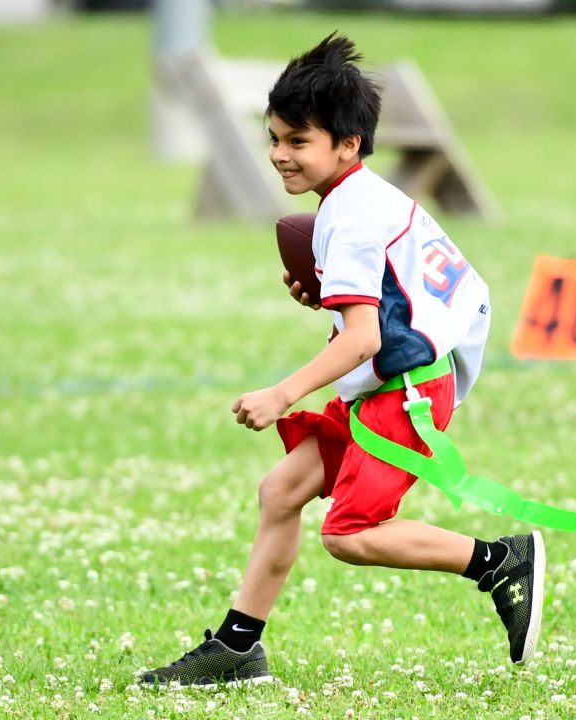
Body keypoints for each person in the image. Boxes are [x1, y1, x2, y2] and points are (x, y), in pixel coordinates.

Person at [139, 33, 544, 687]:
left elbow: (362, 340)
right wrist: (324, 296)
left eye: (297, 142)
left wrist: (281, 394)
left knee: (350, 533)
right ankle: (239, 650)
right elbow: (386, 303)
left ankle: (500, 560)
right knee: (282, 491)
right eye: (273, 138)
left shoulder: (349, 221)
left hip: (405, 389)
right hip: (394, 378)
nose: (278, 155)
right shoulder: (362, 198)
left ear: (347, 145)